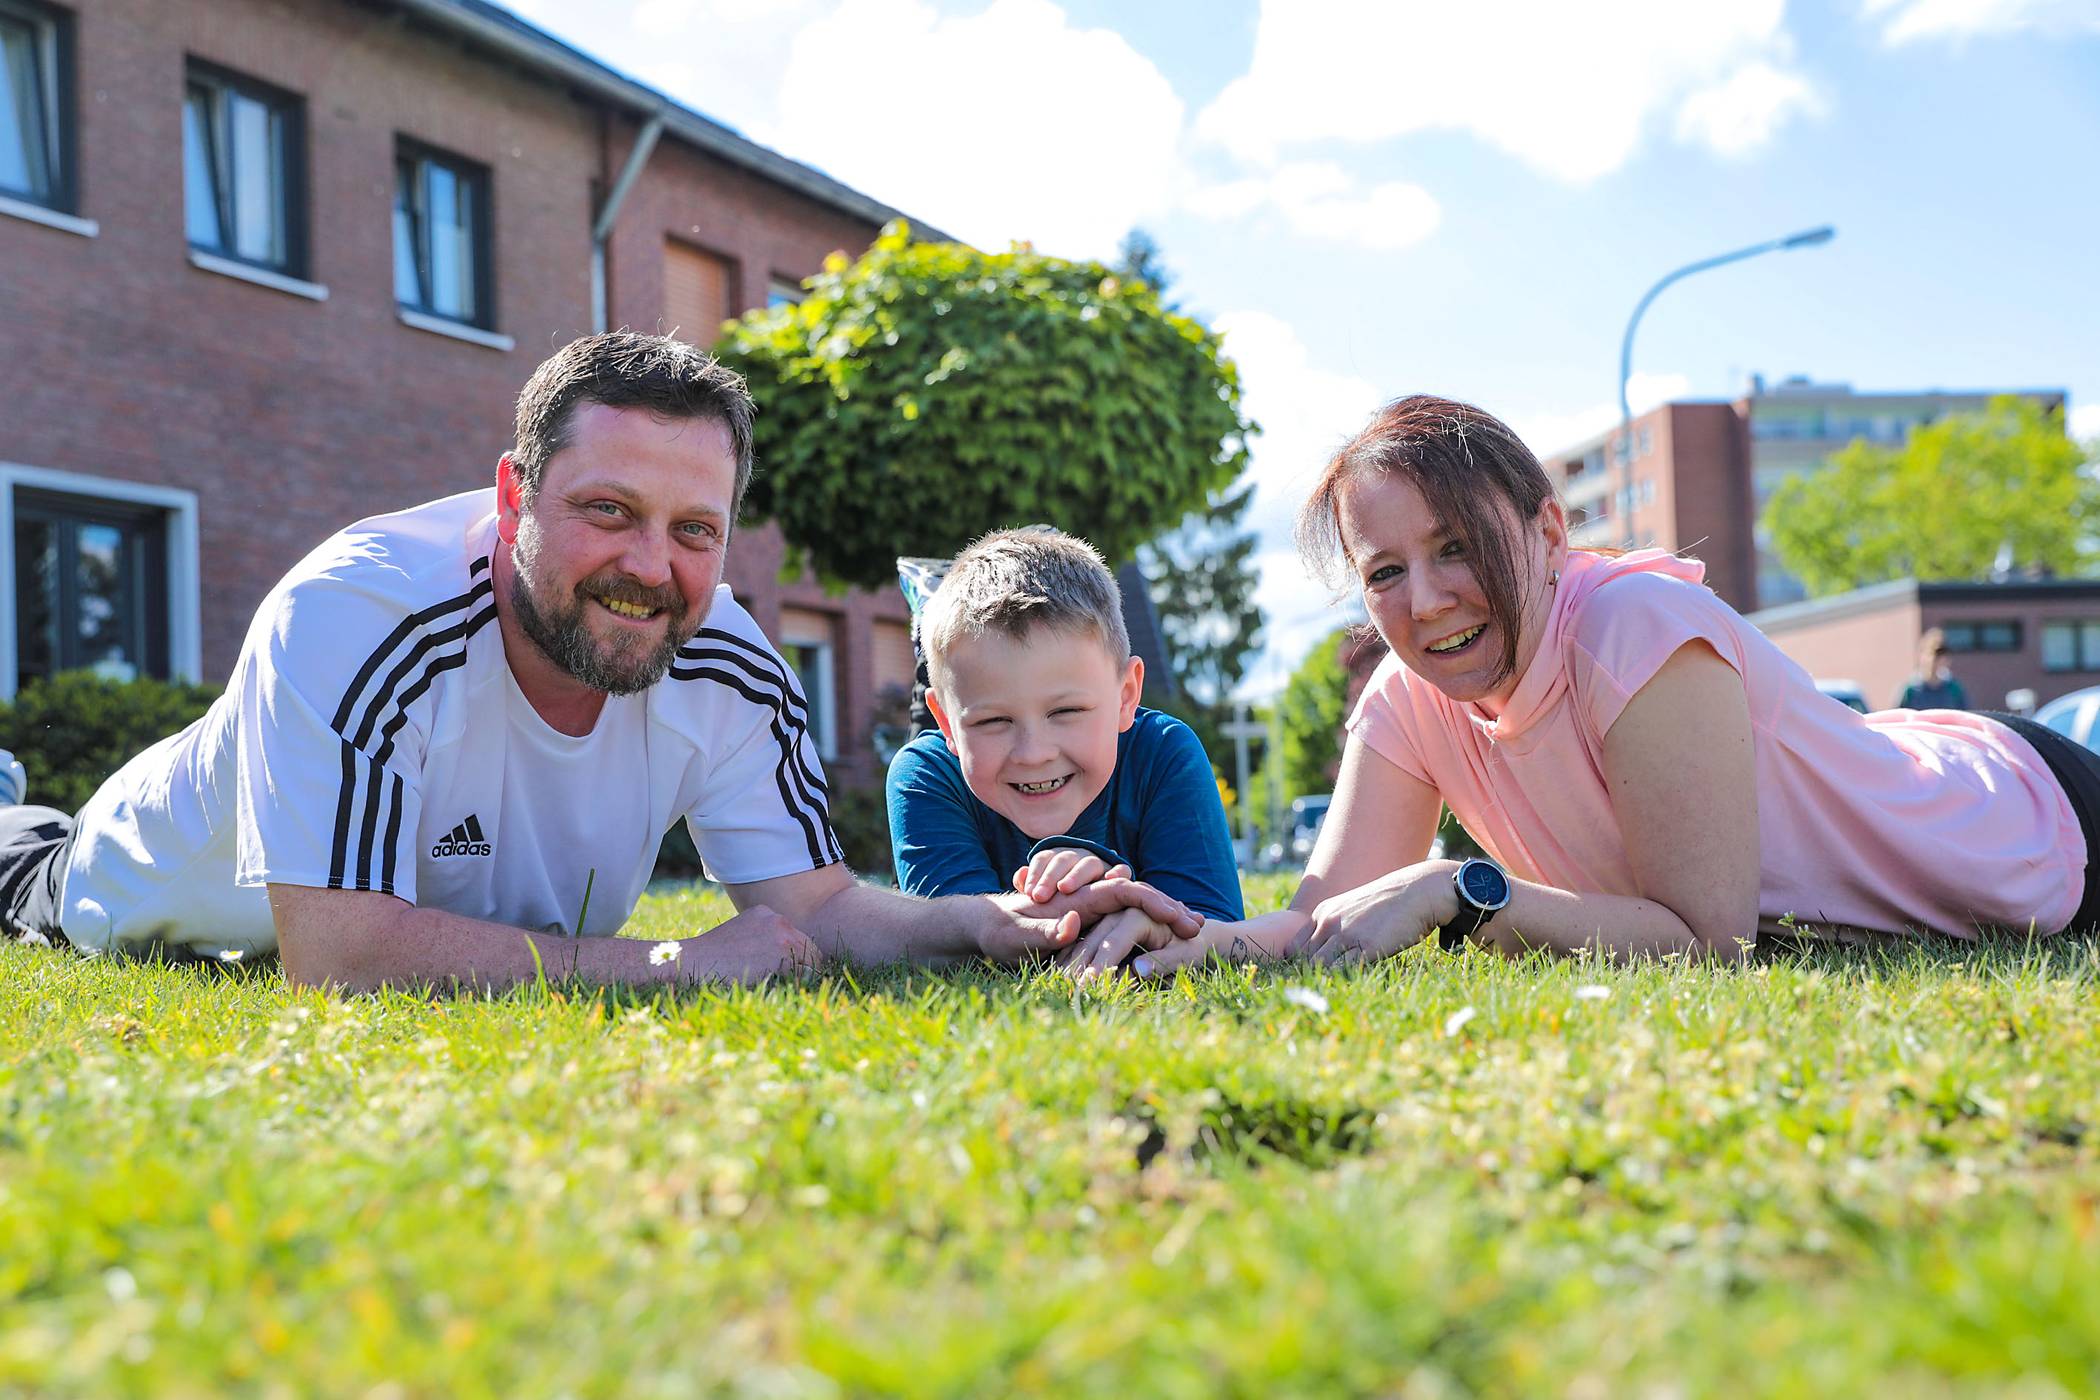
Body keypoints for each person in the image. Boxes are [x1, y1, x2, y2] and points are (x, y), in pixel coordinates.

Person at [0, 333, 1198, 991]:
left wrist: (999, 924)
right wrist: (674, 962)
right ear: (514, 494)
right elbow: (343, 955)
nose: (650, 565)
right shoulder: (355, 613)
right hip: (117, 889)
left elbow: (817, 909)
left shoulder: (732, 662)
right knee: (27, 865)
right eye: (609, 510)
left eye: (694, 530)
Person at [1139, 393, 2097, 972]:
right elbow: (1321, 921)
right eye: (1384, 572)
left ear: (1551, 534)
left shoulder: (1633, 627)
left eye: (1458, 548)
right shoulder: (1408, 696)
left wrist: (1461, 891)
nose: (1424, 602)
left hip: (2032, 820)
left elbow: (1709, 947)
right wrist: (1161, 944)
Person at [885, 528, 1248, 976]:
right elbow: (956, 950)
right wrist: (1089, 900)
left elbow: (1212, 931)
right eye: (992, 721)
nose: (1033, 753)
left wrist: (1109, 884)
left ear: (1126, 695)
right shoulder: (927, 776)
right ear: (945, 723)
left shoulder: (1164, 753)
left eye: (1066, 711)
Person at [1896, 629, 1969, 711]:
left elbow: (1966, 716)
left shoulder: (1954, 689)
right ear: (1922, 656)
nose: (1936, 660)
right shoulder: (1910, 690)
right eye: (1932, 653)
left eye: (1941, 654)